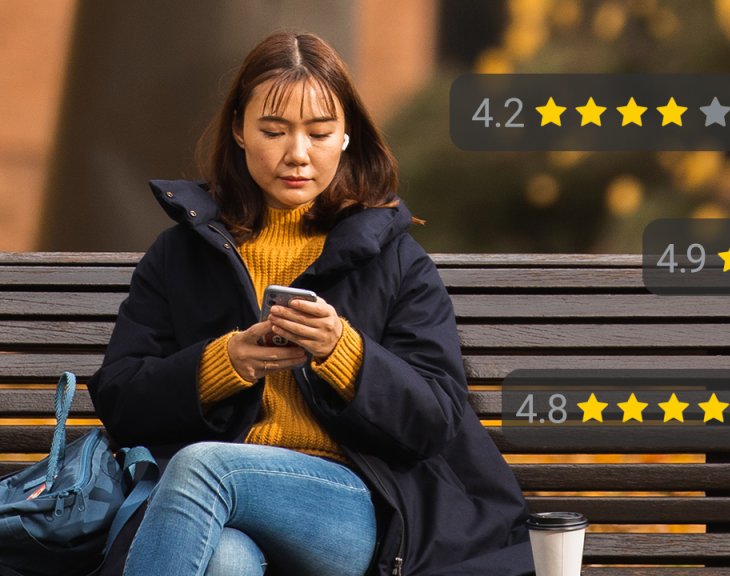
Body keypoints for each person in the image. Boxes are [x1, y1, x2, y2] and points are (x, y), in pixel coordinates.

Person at [87, 31, 535, 576]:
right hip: (207, 507)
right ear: (238, 130)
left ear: (346, 136)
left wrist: (343, 351)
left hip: (350, 505)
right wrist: (222, 365)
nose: (297, 154)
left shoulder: (393, 258)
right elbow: (121, 400)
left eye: (320, 133)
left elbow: (436, 419)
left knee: (203, 466)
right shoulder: (180, 255)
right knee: (226, 560)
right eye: (273, 131)